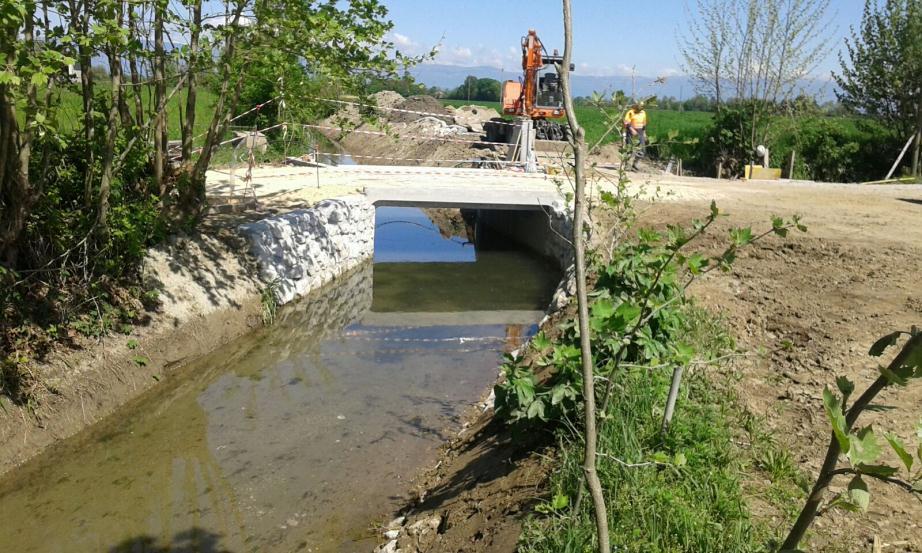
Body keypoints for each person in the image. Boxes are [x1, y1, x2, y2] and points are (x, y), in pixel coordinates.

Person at [623, 102, 647, 169]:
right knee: (629, 149)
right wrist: (631, 129)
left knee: (642, 150)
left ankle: (635, 164)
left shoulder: (643, 113)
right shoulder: (630, 112)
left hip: (640, 132)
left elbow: (644, 123)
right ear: (636, 106)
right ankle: (627, 165)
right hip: (631, 132)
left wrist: (644, 133)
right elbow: (626, 122)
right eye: (640, 106)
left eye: (642, 107)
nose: (641, 108)